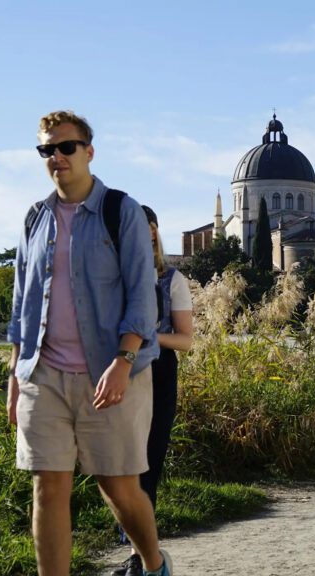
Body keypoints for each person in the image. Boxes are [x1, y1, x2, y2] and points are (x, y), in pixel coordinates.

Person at [7, 110, 172, 576]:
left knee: (118, 487)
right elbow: (22, 305)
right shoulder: (35, 218)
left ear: (89, 152)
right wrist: (16, 375)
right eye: (47, 149)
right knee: (47, 487)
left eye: (66, 147)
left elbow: (142, 296)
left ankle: (153, 563)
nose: (56, 156)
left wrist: (123, 360)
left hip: (111, 371)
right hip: (43, 374)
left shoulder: (121, 211)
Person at [112, 206, 193, 576]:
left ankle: (140, 557)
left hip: (157, 372)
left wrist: (145, 339)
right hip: (116, 372)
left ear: (153, 232)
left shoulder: (172, 280)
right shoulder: (113, 278)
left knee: (147, 462)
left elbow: (186, 340)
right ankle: (137, 553)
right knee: (120, 464)